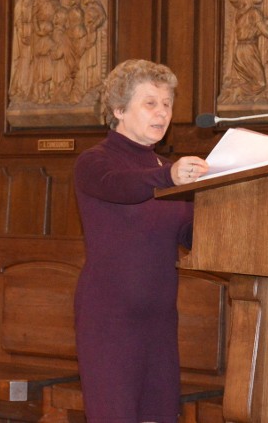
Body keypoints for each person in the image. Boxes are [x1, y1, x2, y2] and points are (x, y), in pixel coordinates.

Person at [73, 59, 208, 422]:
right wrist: (170, 177)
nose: (162, 112)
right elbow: (123, 188)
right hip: (110, 319)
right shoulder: (94, 163)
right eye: (150, 102)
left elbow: (193, 235)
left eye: (167, 103)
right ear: (119, 109)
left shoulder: (169, 173)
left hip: (159, 321)